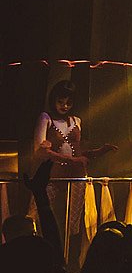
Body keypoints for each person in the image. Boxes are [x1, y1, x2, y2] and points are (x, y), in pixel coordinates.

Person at [32, 80, 115, 259]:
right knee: (37, 215)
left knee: (73, 222)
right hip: (52, 175)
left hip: (76, 176)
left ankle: (69, 259)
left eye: (68, 103)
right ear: (53, 100)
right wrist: (71, 159)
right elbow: (39, 150)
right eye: (61, 102)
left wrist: (99, 152)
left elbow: (78, 153)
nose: (64, 106)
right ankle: (38, 255)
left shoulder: (77, 120)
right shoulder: (46, 118)